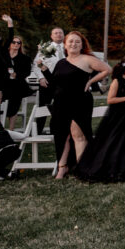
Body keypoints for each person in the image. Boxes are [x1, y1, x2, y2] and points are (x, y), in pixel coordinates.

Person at [35, 31, 110, 179]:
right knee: (62, 135)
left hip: (80, 101)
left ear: (82, 45)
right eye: (70, 41)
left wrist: (90, 82)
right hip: (61, 102)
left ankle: (82, 168)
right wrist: (43, 68)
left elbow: (108, 69)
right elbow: (54, 84)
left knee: (78, 134)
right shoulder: (61, 62)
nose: (73, 44)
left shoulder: (87, 59)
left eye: (77, 42)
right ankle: (62, 167)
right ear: (65, 45)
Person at [74, 55, 125, 182]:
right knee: (118, 143)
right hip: (120, 118)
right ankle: (116, 169)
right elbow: (110, 99)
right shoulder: (117, 81)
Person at [0, 16, 32, 129]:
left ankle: (11, 129)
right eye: (14, 42)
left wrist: (17, 74)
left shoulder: (25, 58)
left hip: (17, 85)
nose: (16, 44)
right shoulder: (3, 55)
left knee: (14, 99)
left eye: (18, 43)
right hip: (3, 84)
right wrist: (10, 25)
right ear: (9, 43)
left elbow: (27, 72)